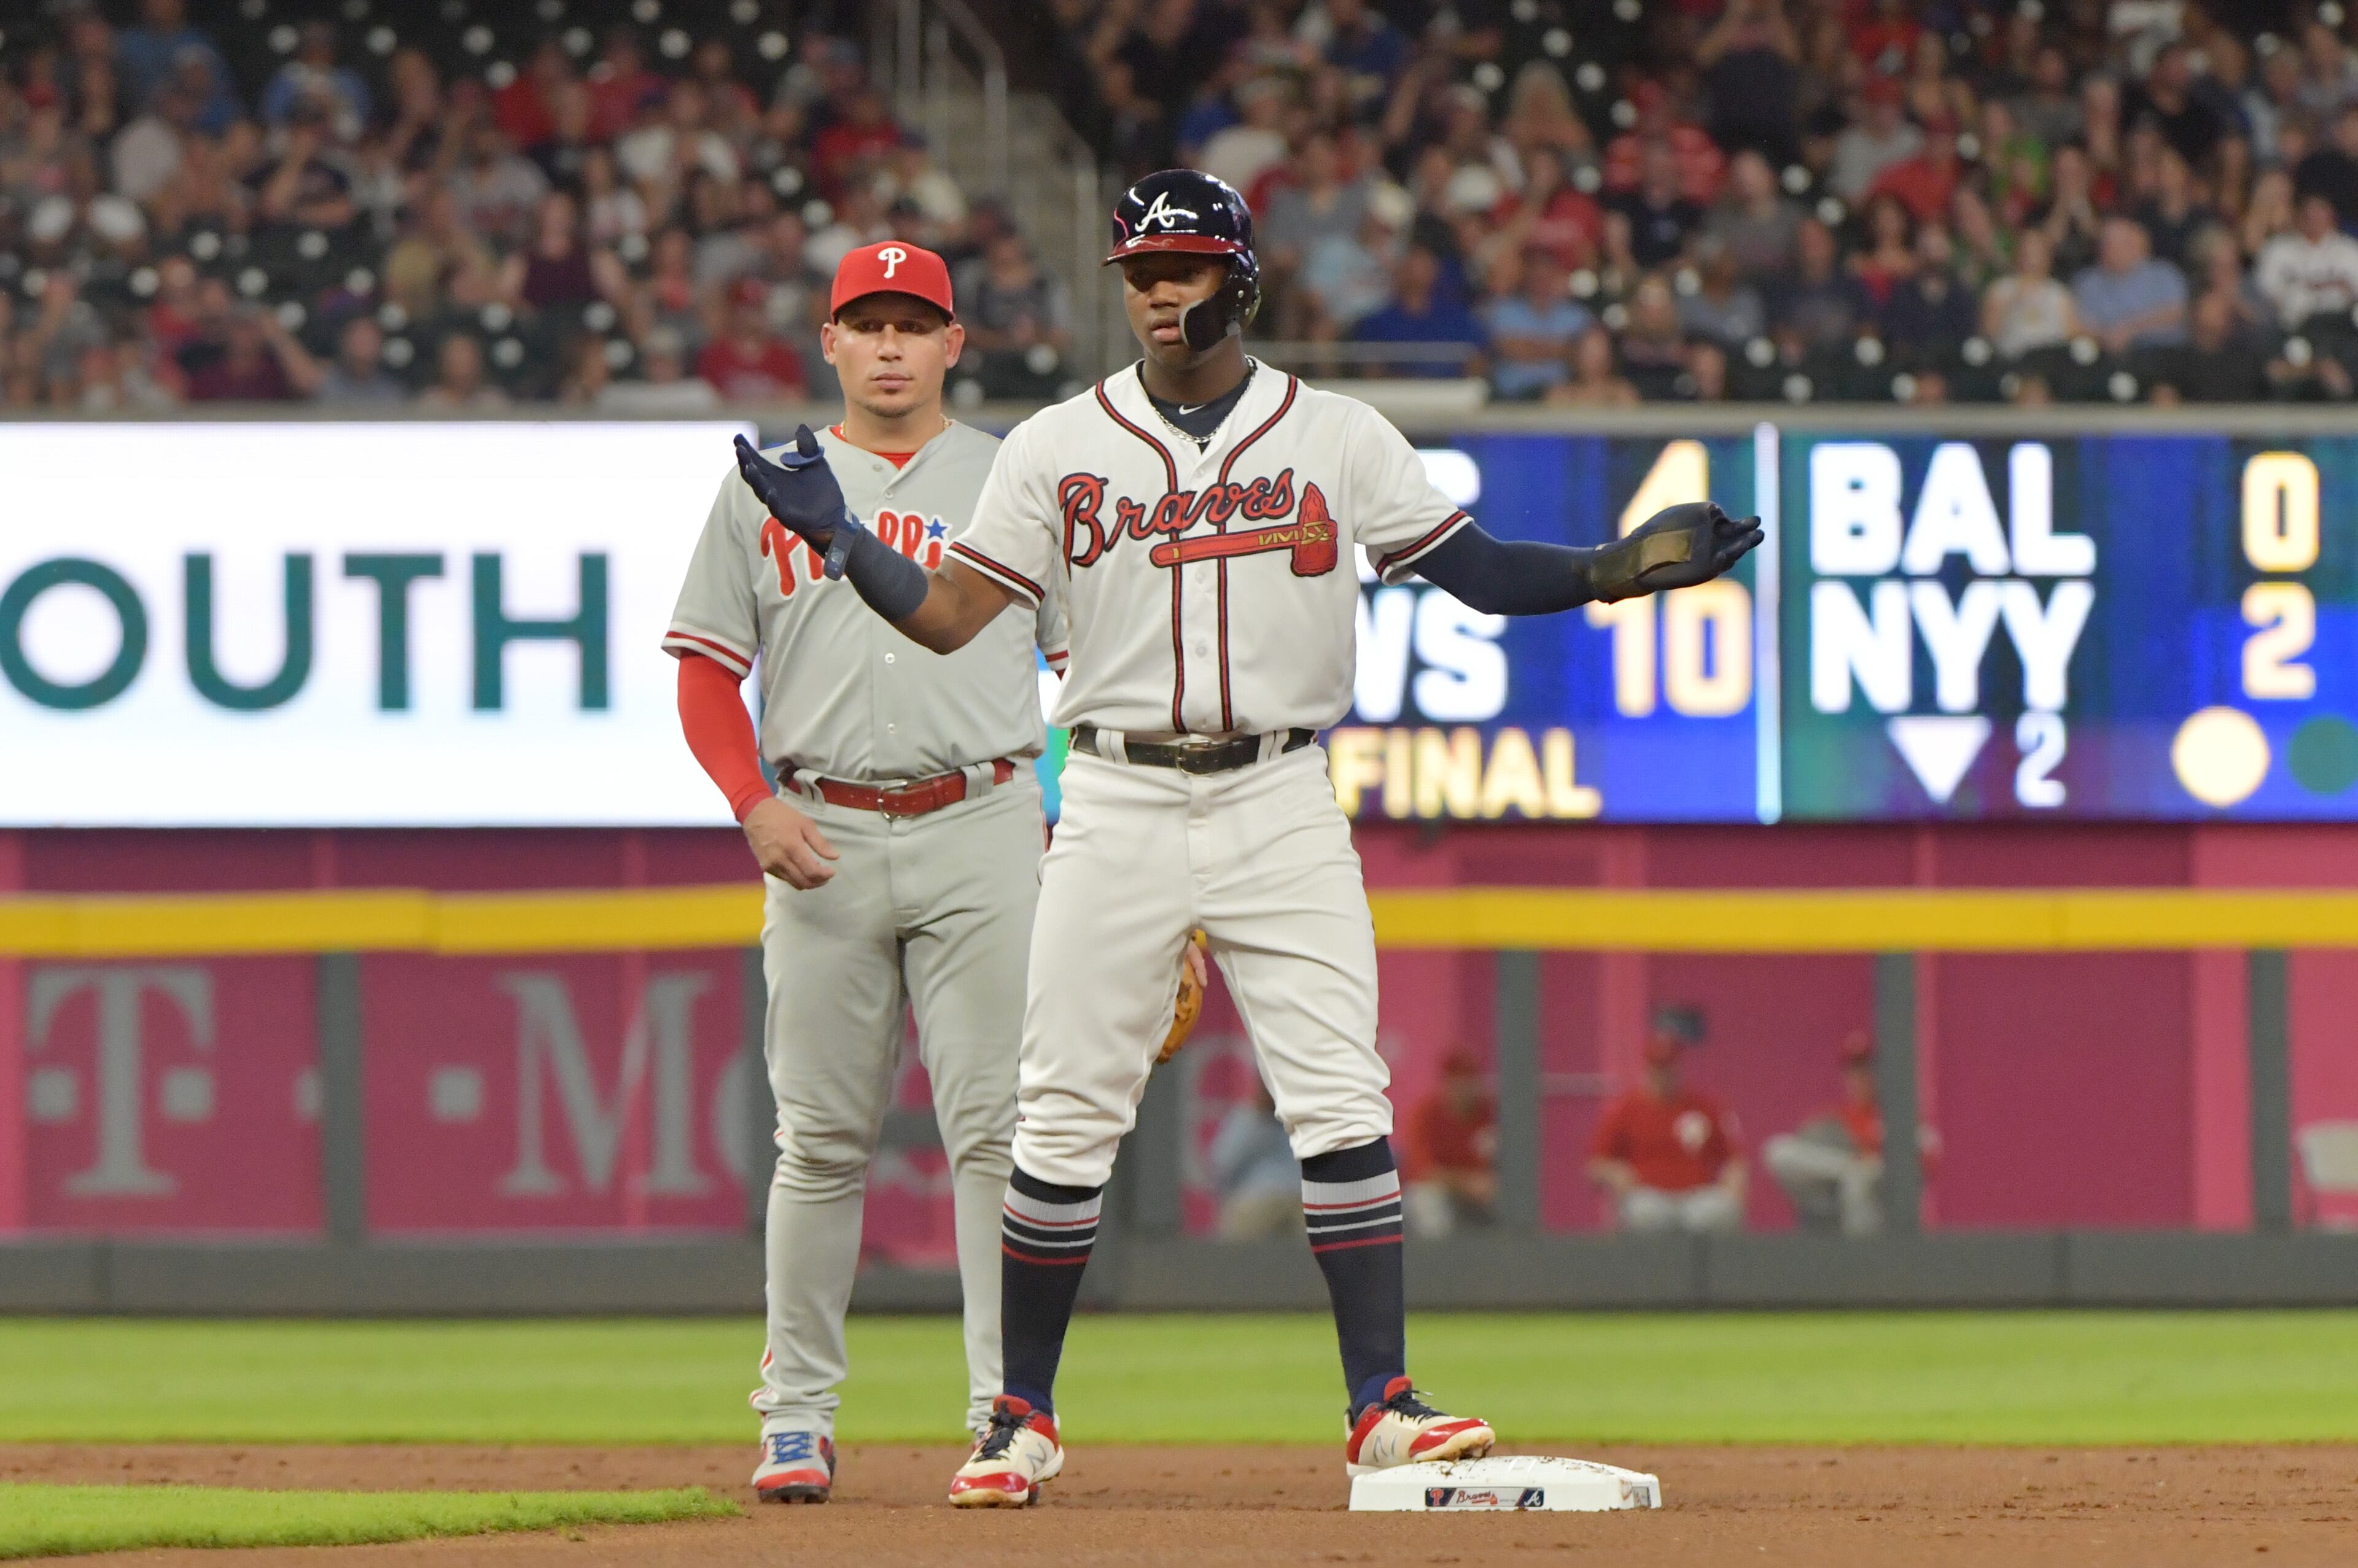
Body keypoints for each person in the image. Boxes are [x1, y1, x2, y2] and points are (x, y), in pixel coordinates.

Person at [730, 168, 1761, 1505]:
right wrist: (844, 537)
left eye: (1188, 268)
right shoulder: (1059, 445)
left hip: (1281, 790)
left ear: (1243, 277)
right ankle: (1016, 1415)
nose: (1161, 292)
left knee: (1340, 1090)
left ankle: (1380, 1404)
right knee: (1064, 1110)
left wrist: (1607, 572)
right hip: (1115, 793)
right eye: (1143, 273)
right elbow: (941, 616)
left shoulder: (1334, 434)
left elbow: (1480, 567)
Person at [661, 243, 1071, 1505]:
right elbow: (703, 669)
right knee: (820, 1142)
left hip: (986, 817)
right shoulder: (767, 479)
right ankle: (795, 1415)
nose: (890, 346)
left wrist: (1077, 823)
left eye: (915, 324)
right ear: (828, 343)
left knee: (997, 1136)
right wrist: (750, 803)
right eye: (867, 323)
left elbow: (1087, 669)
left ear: (956, 345)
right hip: (820, 830)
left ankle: (1004, 1415)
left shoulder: (1018, 474)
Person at [1586, 1008, 1746, 1235]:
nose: (1663, 1076)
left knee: (1714, 1214)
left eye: (1668, 1068)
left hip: (1698, 1198)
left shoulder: (1707, 1107)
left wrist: (1733, 1188)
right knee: (1647, 1215)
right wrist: (1616, 1173)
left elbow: (1734, 1159)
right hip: (1648, 1195)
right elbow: (1596, 1165)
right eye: (1657, 1069)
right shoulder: (1626, 1110)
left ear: (1679, 1067)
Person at [1762, 1033, 1885, 1236]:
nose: (1861, 1077)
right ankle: (1851, 1170)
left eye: (1867, 1069)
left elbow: (1926, 1157)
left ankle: (1863, 1262)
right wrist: (1850, 1166)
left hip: (1877, 1192)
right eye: (1854, 1070)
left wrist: (1871, 1164)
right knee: (1777, 1150)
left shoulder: (1898, 1117)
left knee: (1857, 1184)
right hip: (1834, 1185)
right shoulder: (1834, 1119)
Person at [1401, 1050, 1496, 1238]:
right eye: (1457, 1081)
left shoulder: (1489, 1113)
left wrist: (1489, 1182)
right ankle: (1439, 1264)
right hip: (1434, 1191)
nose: (1463, 1088)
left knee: (1511, 1199)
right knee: (1428, 1201)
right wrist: (1466, 1183)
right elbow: (1425, 1172)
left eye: (1468, 1081)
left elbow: (1505, 1165)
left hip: (1479, 1194)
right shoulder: (1426, 1114)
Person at [1209, 1081, 1301, 1241]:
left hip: (1300, 1200)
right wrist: (1259, 1117)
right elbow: (1222, 1165)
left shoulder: (1311, 1120)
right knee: (1245, 1218)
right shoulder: (1246, 1119)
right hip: (1257, 1200)